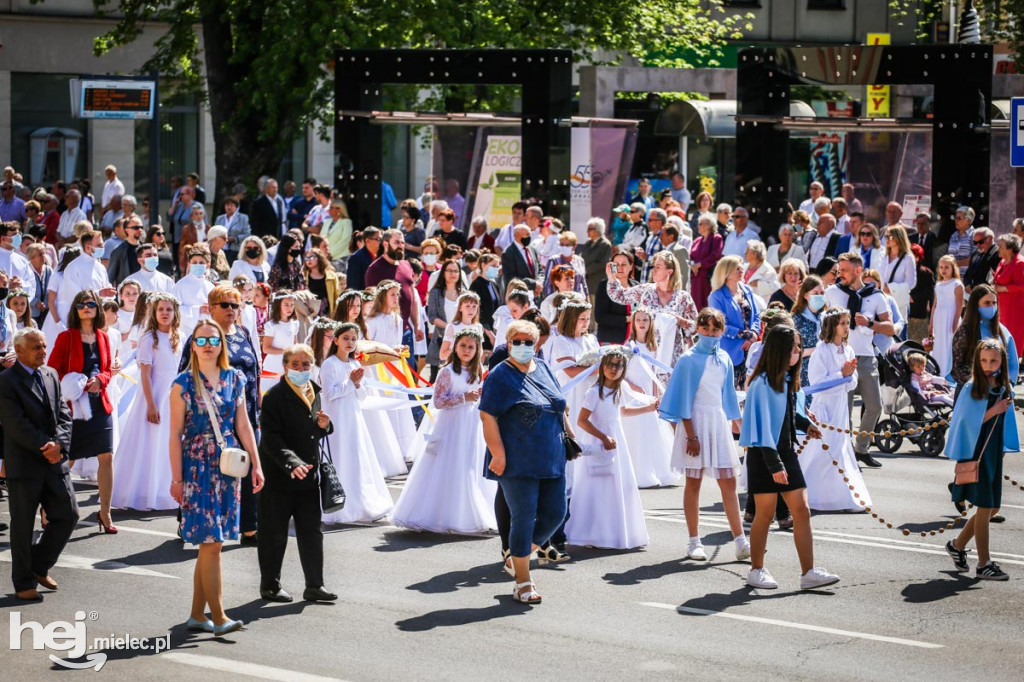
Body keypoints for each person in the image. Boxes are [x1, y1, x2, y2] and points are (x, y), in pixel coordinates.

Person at [170, 319, 263, 632]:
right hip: (197, 467)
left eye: (213, 340)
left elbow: (244, 424)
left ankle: (197, 614)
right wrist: (177, 479)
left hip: (227, 467)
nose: (207, 345)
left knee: (211, 543)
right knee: (212, 543)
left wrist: (257, 464)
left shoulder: (234, 377)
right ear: (192, 346)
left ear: (222, 344)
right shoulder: (182, 383)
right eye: (200, 340)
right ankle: (219, 616)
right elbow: (174, 434)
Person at [740, 325, 838, 590]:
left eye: (798, 346)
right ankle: (756, 570)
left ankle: (808, 573)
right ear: (779, 350)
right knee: (765, 514)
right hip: (765, 456)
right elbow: (760, 429)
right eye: (793, 347)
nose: (798, 351)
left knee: (801, 511)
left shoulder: (787, 381)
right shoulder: (761, 384)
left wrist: (807, 425)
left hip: (785, 452)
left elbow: (788, 415)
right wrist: (775, 465)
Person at [480, 320, 572, 604]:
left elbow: (559, 405)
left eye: (528, 342)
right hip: (517, 460)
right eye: (516, 341)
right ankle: (523, 580)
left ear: (536, 344)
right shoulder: (499, 375)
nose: (522, 346)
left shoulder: (543, 368)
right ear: (508, 344)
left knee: (556, 513)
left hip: (552, 456)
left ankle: (517, 557)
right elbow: (487, 416)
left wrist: (571, 436)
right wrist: (497, 453)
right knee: (523, 517)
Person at [660, 308, 749, 561]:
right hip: (695, 423)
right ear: (698, 328)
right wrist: (690, 435)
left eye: (715, 329)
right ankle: (693, 541)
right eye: (706, 328)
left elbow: (729, 398)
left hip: (717, 421)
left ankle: (741, 541)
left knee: (728, 481)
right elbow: (682, 399)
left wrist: (743, 433)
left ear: (722, 331)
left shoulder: (724, 359)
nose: (710, 333)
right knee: (694, 482)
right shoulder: (687, 359)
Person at [177, 285, 262, 544]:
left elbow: (254, 370)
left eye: (235, 305)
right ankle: (188, 520)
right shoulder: (203, 338)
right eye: (224, 305)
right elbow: (185, 377)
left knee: (245, 467)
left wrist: (257, 401)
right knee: (205, 474)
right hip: (211, 418)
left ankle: (249, 525)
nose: (230, 310)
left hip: (244, 413)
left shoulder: (244, 333)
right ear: (211, 307)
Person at [394, 327, 497, 533]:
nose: (466, 350)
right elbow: (439, 402)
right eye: (462, 346)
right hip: (451, 425)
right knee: (450, 464)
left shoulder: (478, 373)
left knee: (470, 465)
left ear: (478, 349)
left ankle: (472, 509)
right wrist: (464, 398)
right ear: (455, 348)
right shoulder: (447, 371)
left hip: (471, 425)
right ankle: (443, 513)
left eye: (471, 347)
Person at [256, 342, 337, 602]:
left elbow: (315, 429)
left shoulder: (313, 390)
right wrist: (292, 463)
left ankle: (315, 585)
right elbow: (270, 438)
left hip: (309, 477)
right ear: (285, 366)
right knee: (274, 534)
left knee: (311, 532)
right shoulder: (274, 396)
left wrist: (326, 425)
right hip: (280, 477)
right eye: (295, 365)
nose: (301, 369)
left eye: (306, 365)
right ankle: (269, 585)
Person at [0, 328, 75, 601]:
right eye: (36, 347)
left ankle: (39, 565)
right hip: (25, 463)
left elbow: (64, 415)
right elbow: (15, 424)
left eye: (44, 346)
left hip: (54, 462)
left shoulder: (51, 374)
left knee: (68, 515)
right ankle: (24, 583)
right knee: (22, 525)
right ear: (19, 351)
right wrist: (47, 447)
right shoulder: (6, 381)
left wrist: (60, 446)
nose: (42, 351)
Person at [945, 339, 1019, 581]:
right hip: (977, 451)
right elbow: (964, 422)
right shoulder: (972, 387)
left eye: (994, 360)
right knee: (986, 506)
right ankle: (984, 563)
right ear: (977, 361)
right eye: (984, 360)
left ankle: (957, 545)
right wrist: (995, 410)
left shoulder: (1003, 384)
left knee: (992, 506)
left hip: (994, 450)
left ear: (1002, 362)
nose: (988, 365)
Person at [48, 290, 117, 532]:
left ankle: (105, 513)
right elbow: (52, 370)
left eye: (91, 303)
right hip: (74, 408)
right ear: (75, 310)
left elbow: (107, 369)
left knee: (106, 456)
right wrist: (73, 381)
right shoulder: (66, 337)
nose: (86, 307)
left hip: (100, 406)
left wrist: (100, 379)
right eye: (81, 304)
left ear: (98, 308)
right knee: (69, 458)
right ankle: (49, 507)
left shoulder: (104, 337)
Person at [567, 349, 650, 550]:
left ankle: (616, 532)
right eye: (610, 365)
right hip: (599, 440)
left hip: (616, 439)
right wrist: (602, 437)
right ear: (602, 367)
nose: (614, 369)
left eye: (618, 366)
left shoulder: (618, 391)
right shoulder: (594, 392)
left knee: (620, 485)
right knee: (596, 487)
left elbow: (622, 412)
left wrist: (647, 409)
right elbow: (582, 421)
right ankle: (591, 533)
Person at [112, 294, 184, 510]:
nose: (164, 313)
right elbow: (145, 374)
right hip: (155, 394)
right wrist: (151, 404)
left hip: (175, 394)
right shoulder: (148, 338)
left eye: (168, 310)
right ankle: (145, 493)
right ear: (154, 312)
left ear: (175, 313)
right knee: (152, 441)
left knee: (170, 442)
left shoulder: (179, 336)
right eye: (161, 309)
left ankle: (167, 491)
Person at [318, 323, 393, 525]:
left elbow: (361, 396)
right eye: (345, 338)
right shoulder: (329, 364)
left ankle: (358, 501)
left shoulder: (354, 364)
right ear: (336, 341)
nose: (350, 343)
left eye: (353, 339)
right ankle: (336, 503)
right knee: (340, 455)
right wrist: (350, 382)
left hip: (354, 416)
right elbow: (330, 394)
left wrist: (357, 384)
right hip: (337, 417)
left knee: (356, 456)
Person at [824, 252, 893, 469]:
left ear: (857, 270)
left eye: (843, 270)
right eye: (838, 270)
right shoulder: (832, 292)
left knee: (874, 406)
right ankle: (844, 452)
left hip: (866, 357)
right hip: (840, 357)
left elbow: (890, 328)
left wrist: (870, 323)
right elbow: (823, 324)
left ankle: (861, 448)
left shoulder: (876, 295)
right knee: (843, 408)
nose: (839, 274)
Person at [801, 308, 872, 512]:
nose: (846, 327)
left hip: (840, 404)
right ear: (831, 326)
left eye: (847, 322)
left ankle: (843, 496)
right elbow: (816, 382)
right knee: (823, 448)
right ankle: (812, 493)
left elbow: (852, 383)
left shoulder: (848, 350)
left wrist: (848, 376)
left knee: (840, 446)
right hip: (824, 406)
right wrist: (841, 374)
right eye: (842, 323)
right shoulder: (820, 351)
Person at [605, 251, 697, 365]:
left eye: (658, 267)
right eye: (653, 267)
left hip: (673, 356)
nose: (653, 270)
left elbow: (696, 327)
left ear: (670, 271)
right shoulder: (646, 290)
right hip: (646, 352)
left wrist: (681, 321)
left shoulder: (683, 297)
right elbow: (620, 296)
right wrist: (611, 277)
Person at [622, 308, 678, 487]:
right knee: (636, 431)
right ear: (634, 322)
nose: (642, 323)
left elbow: (653, 373)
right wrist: (634, 387)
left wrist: (656, 395)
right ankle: (638, 472)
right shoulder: (628, 347)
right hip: (633, 394)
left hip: (648, 394)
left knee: (652, 430)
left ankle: (654, 470)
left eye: (645, 320)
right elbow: (622, 373)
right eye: (638, 320)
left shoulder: (653, 347)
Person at [950, 284, 1020, 387]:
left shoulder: (1002, 331)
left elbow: (1013, 363)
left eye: (994, 303)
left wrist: (1007, 386)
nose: (991, 307)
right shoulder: (965, 331)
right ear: (976, 305)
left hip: (999, 390)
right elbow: (956, 366)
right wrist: (978, 385)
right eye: (987, 303)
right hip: (973, 392)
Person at [708, 255, 761, 388]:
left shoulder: (747, 290)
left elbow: (756, 315)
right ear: (727, 272)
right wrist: (745, 335)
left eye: (741, 267)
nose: (741, 270)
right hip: (731, 350)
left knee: (750, 391)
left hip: (751, 349)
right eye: (737, 268)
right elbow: (720, 325)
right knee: (732, 393)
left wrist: (753, 334)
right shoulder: (716, 296)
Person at [426, 260, 465, 377]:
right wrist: (449, 327)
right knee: (435, 377)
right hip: (441, 338)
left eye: (456, 271)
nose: (453, 274)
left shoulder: (464, 293)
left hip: (461, 339)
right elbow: (432, 317)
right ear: (443, 273)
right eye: (450, 271)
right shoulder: (435, 292)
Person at [930, 255, 964, 377]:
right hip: (939, 318)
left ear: (953, 268)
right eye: (941, 267)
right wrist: (931, 324)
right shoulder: (938, 285)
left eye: (946, 267)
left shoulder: (957, 284)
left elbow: (960, 305)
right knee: (939, 344)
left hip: (950, 317)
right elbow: (935, 305)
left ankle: (949, 372)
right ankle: (939, 370)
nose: (943, 270)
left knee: (949, 343)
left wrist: (955, 323)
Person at [594, 250, 637, 345]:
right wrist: (627, 319)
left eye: (624, 264)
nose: (620, 268)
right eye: (616, 264)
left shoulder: (636, 285)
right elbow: (600, 317)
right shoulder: (604, 286)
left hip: (633, 340)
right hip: (611, 339)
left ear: (631, 267)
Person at [992, 233, 1024, 357]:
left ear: (1010, 249)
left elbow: (1021, 285)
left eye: (1001, 247)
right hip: (1002, 307)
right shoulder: (1003, 262)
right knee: (1001, 336)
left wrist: (1002, 288)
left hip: (1014, 308)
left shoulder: (1020, 263)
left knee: (1013, 337)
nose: (998, 249)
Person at [879, 225, 916, 323]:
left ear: (898, 238)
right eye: (886, 236)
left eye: (890, 236)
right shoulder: (883, 256)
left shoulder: (907, 258)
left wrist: (891, 288)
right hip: (882, 300)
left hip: (898, 302)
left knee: (899, 332)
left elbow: (911, 282)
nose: (887, 239)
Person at [262, 291, 299, 383]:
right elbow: (266, 348)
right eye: (286, 305)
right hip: (273, 365)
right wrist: (285, 351)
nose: (289, 308)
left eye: (292, 305)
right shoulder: (272, 325)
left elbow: (295, 343)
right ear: (278, 305)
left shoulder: (294, 324)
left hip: (288, 364)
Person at [689, 213, 723, 309]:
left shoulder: (716, 238)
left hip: (707, 277)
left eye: (700, 224)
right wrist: (692, 266)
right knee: (696, 304)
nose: (698, 226)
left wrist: (699, 265)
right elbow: (691, 256)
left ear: (708, 225)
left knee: (707, 303)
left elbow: (715, 255)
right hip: (696, 277)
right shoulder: (697, 240)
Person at [438, 292, 484, 362]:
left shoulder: (478, 327)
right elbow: (442, 354)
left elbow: (480, 351)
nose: (471, 310)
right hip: (456, 365)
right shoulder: (452, 327)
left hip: (472, 366)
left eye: (474, 306)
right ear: (460, 308)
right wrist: (461, 353)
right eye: (467, 306)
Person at [907, 243, 935, 343]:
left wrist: (912, 297)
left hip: (920, 315)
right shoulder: (903, 272)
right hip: (905, 315)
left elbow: (929, 294)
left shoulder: (926, 273)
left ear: (918, 258)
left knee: (919, 344)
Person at [303, 249, 342, 318]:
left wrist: (335, 313)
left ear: (319, 258)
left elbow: (337, 295)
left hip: (327, 312)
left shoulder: (331, 276)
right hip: (310, 313)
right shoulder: (303, 276)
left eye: (312, 257)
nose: (309, 260)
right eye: (306, 258)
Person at [965, 227, 1000, 293]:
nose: (978, 245)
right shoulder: (975, 254)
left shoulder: (998, 254)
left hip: (987, 293)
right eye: (975, 242)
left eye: (981, 242)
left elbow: (996, 277)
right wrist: (967, 285)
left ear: (990, 238)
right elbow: (968, 273)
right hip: (973, 294)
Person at [949, 205, 977, 278]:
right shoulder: (953, 235)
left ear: (969, 221)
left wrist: (956, 263)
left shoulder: (974, 235)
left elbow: (975, 258)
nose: (956, 220)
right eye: (955, 218)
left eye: (959, 218)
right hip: (953, 277)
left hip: (967, 278)